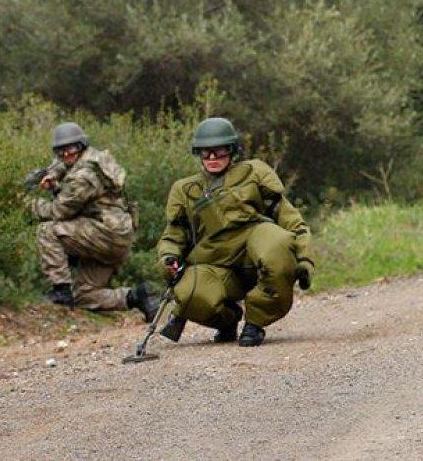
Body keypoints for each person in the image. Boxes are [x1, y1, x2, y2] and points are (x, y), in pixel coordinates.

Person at [156, 117, 313, 347]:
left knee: (275, 242)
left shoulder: (253, 174)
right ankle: (226, 321)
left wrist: (304, 260)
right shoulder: (186, 190)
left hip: (256, 255)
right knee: (189, 293)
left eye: (218, 152)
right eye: (205, 152)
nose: (211, 158)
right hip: (217, 265)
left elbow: (292, 221)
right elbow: (173, 235)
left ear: (232, 151)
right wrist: (168, 259)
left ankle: (255, 322)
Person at [25, 122, 159, 319]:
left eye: (71, 149)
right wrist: (51, 175)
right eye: (60, 151)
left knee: (48, 230)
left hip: (105, 234)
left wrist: (24, 202)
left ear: (81, 146)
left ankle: (60, 292)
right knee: (83, 295)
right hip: (114, 235)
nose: (66, 154)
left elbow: (57, 211)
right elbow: (62, 165)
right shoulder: (94, 158)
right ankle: (137, 296)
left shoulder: (84, 176)